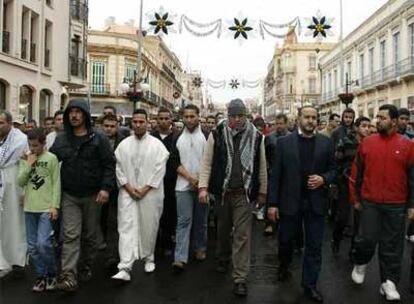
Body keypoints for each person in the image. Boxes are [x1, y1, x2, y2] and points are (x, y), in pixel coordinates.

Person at [199, 99, 267, 297]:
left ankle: (240, 278)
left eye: (241, 116)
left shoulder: (256, 137)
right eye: (233, 116)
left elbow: (261, 166)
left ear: (246, 116)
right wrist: (203, 187)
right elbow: (207, 163)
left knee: (242, 235)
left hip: (243, 194)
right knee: (223, 230)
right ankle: (223, 257)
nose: (237, 120)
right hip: (222, 193)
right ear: (228, 116)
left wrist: (262, 191)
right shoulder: (217, 134)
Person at [268, 106, 336, 303]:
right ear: (298, 119)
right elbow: (276, 176)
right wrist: (272, 204)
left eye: (314, 118)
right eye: (306, 117)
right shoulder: (284, 143)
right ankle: (284, 264)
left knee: (314, 246)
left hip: (315, 203)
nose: (311, 121)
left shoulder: (326, 142)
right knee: (286, 241)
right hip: (290, 202)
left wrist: (324, 179)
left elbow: (333, 169)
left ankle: (310, 285)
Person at [349, 104, 414, 301]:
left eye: (382, 117)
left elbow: (413, 178)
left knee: (392, 246)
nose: (378, 120)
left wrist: (412, 205)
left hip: (396, 205)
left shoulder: (408, 145)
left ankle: (389, 282)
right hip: (370, 202)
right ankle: (361, 263)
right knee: (366, 239)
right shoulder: (367, 143)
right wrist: (355, 199)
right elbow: (355, 174)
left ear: (394, 121)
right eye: (377, 117)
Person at [50, 99, 115, 291]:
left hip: (93, 195)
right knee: (70, 235)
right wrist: (32, 159)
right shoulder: (61, 139)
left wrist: (105, 188)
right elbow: (51, 161)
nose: (74, 115)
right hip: (69, 195)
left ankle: (86, 265)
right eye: (71, 112)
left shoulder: (99, 138)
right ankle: (69, 275)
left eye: (78, 112)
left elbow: (109, 164)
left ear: (85, 115)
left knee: (89, 236)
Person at [112, 109, 169, 281]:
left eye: (141, 121)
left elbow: (160, 169)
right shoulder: (123, 145)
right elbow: (119, 169)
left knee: (149, 225)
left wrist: (145, 189)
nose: (137, 124)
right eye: (135, 122)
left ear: (148, 122)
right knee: (126, 226)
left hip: (151, 193)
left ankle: (149, 257)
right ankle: (125, 266)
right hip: (128, 193)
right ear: (131, 123)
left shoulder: (157, 145)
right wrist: (129, 188)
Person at [17, 128, 60, 292]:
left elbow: (56, 183)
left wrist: (54, 206)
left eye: (35, 146)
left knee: (43, 244)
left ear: (44, 144)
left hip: (46, 207)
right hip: (29, 207)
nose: (32, 149)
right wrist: (28, 164)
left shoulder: (51, 159)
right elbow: (20, 181)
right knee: (32, 247)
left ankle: (51, 272)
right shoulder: (26, 158)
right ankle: (41, 275)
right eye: (30, 145)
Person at [171, 104, 208, 272]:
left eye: (192, 116)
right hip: (182, 186)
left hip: (203, 187)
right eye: (186, 116)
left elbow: (211, 160)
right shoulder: (177, 137)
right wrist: (190, 177)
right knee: (183, 221)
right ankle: (180, 257)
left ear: (198, 116)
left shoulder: (208, 135)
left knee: (201, 221)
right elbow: (173, 162)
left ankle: (200, 248)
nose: (189, 119)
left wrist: (201, 181)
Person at [331, 116, 371, 255]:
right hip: (345, 182)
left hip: (363, 185)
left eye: (368, 126)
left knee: (359, 220)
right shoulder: (346, 141)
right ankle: (336, 240)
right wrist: (338, 180)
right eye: (363, 126)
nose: (366, 129)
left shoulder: (370, 143)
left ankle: (354, 248)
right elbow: (337, 161)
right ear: (357, 127)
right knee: (343, 216)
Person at [0, 111, 28, 278]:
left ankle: (16, 259)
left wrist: (25, 191)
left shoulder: (21, 140)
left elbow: (29, 163)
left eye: (1, 123)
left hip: (14, 185)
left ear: (10, 123)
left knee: (14, 224)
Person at [101, 114, 126, 273]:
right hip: (100, 186)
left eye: (112, 126)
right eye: (106, 126)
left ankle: (113, 255)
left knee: (113, 222)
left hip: (118, 187)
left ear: (117, 126)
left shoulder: (124, 141)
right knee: (101, 220)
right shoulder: (96, 139)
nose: (109, 129)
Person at [152, 107, 178, 256]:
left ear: (170, 120)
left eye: (166, 118)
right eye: (160, 118)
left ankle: (167, 242)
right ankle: (154, 244)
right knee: (154, 213)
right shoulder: (151, 137)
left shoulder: (176, 137)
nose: (163, 121)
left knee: (169, 213)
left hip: (171, 181)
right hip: (153, 181)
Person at [263, 113, 290, 236]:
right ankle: (270, 223)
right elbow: (264, 155)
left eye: (281, 123)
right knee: (271, 197)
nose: (279, 126)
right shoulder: (269, 138)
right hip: (272, 172)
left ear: (286, 123)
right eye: (277, 123)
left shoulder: (292, 137)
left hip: (288, 172)